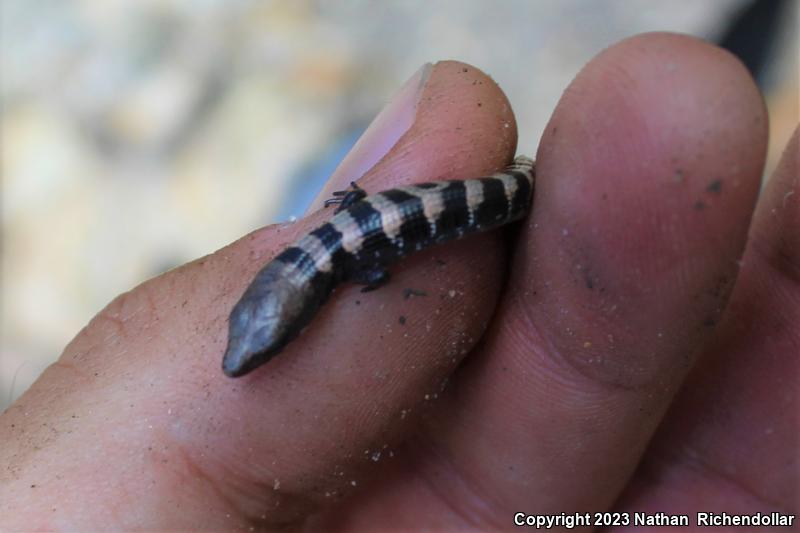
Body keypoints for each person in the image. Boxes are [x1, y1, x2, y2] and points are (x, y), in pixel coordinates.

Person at [1, 33, 796, 530]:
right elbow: (356, 243)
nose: (250, 355)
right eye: (263, 339)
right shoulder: (325, 257)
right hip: (456, 206)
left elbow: (368, 255)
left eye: (263, 340)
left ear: (297, 305)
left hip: (503, 201)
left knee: (546, 195)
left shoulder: (343, 265)